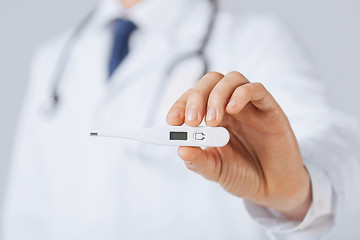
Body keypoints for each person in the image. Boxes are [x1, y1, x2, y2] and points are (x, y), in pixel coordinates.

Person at [1, 0, 360, 239]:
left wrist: (295, 190)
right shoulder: (54, 59)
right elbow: (27, 212)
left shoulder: (255, 39)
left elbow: (335, 142)